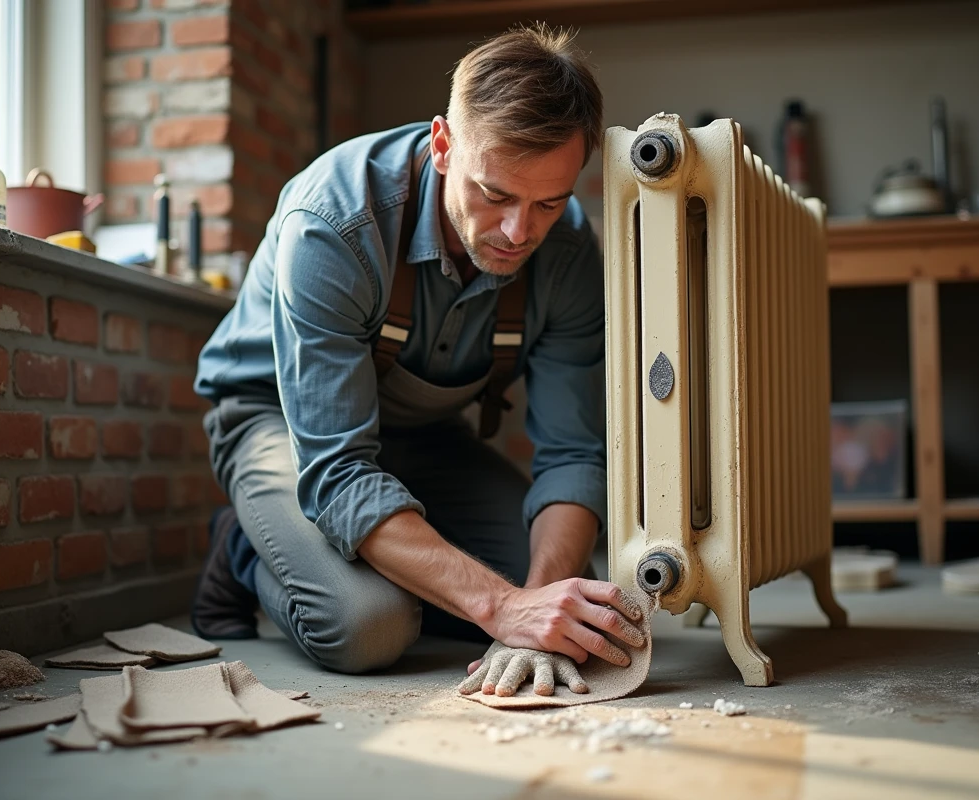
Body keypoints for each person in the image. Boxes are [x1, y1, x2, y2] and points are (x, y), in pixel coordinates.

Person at [191, 23, 644, 696]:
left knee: (570, 599)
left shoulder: (570, 251)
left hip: (425, 438)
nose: (520, 232)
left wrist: (535, 606)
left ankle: (383, 554)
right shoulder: (334, 221)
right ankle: (244, 549)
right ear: (442, 146)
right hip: (281, 426)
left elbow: (574, 456)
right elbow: (340, 467)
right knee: (369, 625)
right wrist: (500, 608)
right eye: (495, 194)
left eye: (549, 202)